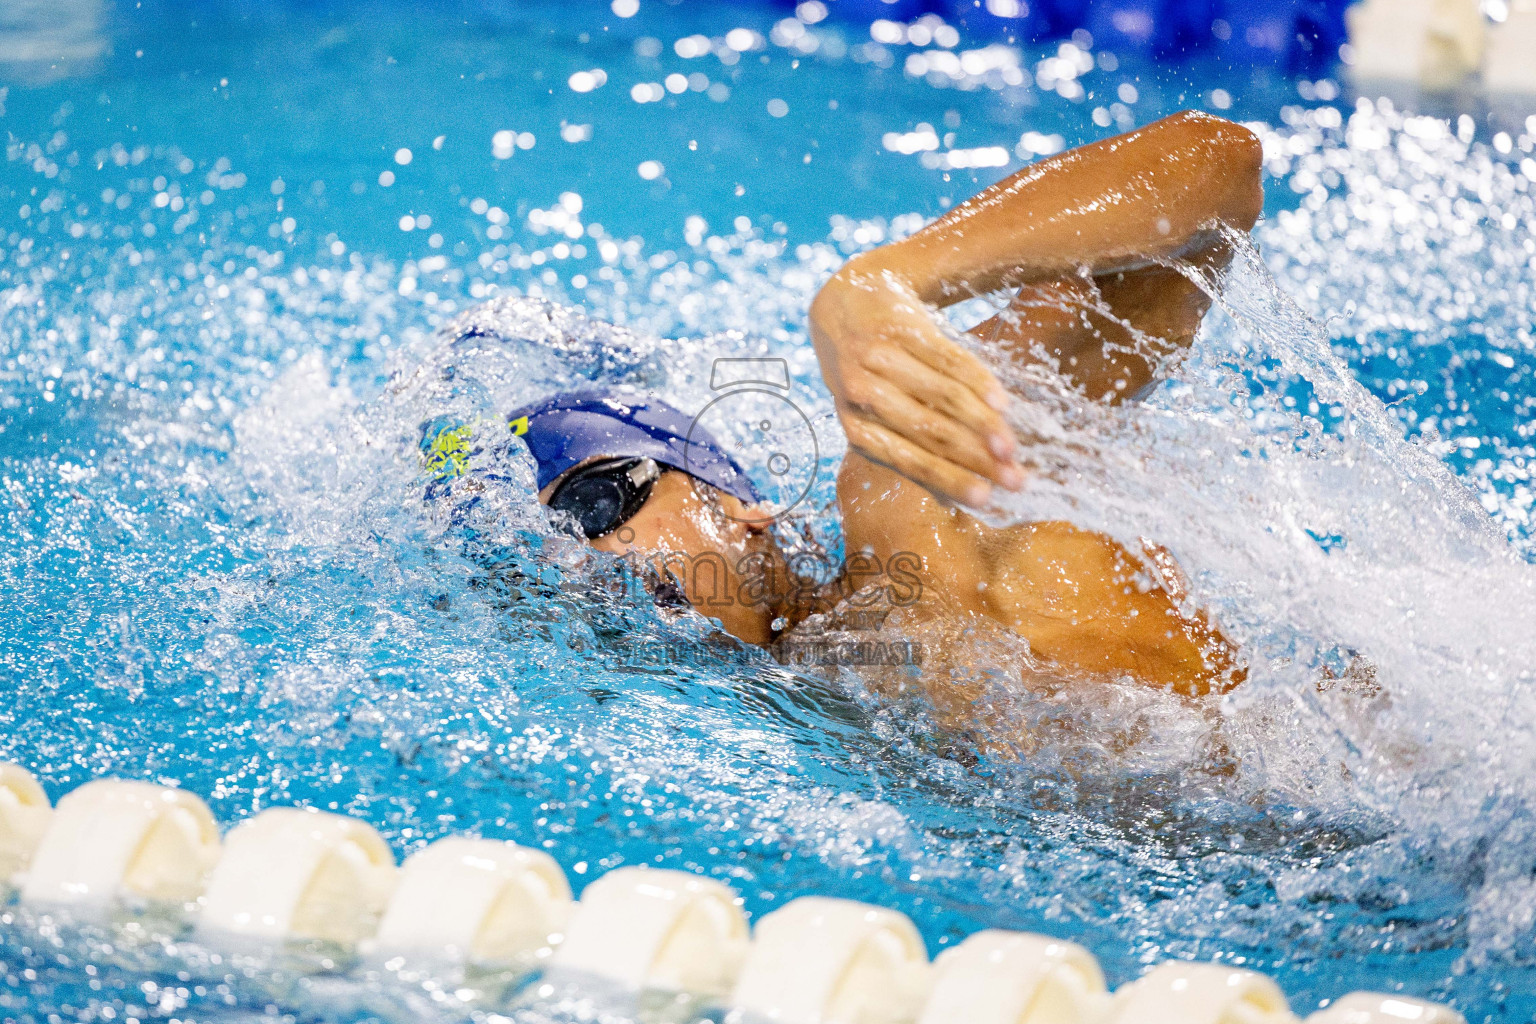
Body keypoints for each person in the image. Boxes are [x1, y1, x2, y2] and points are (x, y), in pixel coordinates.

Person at [427, 110, 1262, 702]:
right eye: (552, 549)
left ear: (741, 506)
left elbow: (1216, 170)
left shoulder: (914, 488)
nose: (593, 556)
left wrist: (886, 280)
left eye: (597, 501)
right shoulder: (820, 707)